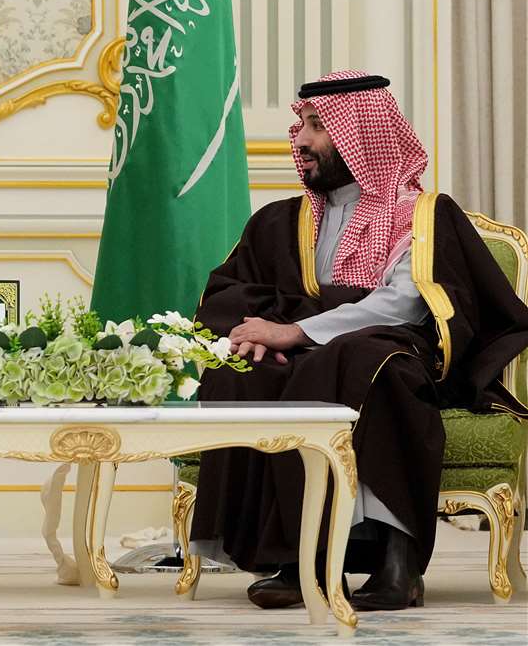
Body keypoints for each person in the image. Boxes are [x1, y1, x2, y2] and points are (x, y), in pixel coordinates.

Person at [190, 70, 528, 612]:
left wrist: (298, 331)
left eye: (316, 127)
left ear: (359, 134)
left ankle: (398, 563)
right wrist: (264, 335)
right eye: (300, 125)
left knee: (371, 363)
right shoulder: (283, 220)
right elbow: (232, 290)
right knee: (246, 371)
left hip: (396, 351)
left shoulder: (420, 213)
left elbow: (407, 300)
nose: (299, 141)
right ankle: (290, 555)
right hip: (303, 354)